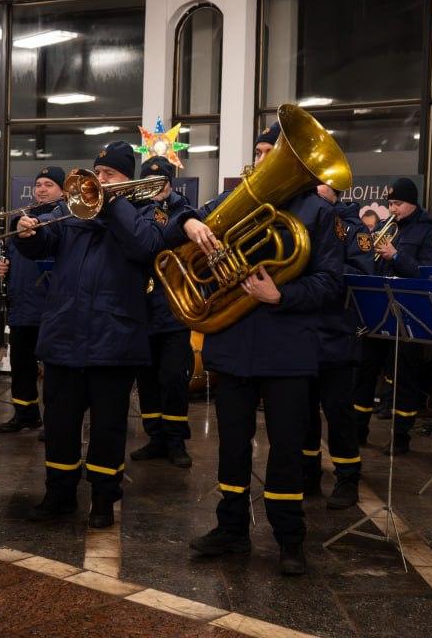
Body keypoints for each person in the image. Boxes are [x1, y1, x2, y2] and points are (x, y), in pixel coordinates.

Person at [182, 123, 343, 576]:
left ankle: (290, 538)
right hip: (233, 344)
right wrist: (189, 222)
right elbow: (184, 223)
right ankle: (231, 529)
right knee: (232, 445)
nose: (262, 159)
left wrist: (281, 296)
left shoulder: (316, 212)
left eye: (272, 152)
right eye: (259, 150)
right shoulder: (231, 203)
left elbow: (332, 284)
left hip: (288, 349)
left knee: (288, 448)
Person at [15, 141, 165, 529]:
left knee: (108, 427)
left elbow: (145, 246)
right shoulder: (68, 212)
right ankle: (59, 493)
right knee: (60, 423)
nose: (98, 181)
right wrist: (27, 234)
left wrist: (113, 203)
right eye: (96, 174)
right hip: (64, 332)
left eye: (108, 175)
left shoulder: (145, 212)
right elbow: (43, 246)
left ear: (126, 179)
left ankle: (103, 497)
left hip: (114, 339)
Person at [351, 177, 432, 455]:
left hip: (407, 313)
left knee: (405, 376)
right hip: (378, 310)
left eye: (398, 204)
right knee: (365, 371)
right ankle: (358, 429)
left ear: (413, 203)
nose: (393, 209)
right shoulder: (383, 226)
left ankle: (402, 436)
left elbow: (428, 273)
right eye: (390, 203)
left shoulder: (430, 232)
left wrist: (395, 255)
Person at [302, 185, 374, 510]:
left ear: (334, 191)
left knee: (338, 411)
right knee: (303, 411)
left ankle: (347, 478)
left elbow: (362, 273)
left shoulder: (353, 227)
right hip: (302, 328)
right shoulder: (302, 217)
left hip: (335, 331)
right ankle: (308, 474)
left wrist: (321, 268)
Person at [130, 156, 195, 469]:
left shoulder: (185, 211)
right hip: (141, 311)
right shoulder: (129, 209)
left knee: (173, 378)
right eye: (150, 183)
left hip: (173, 309)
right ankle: (155, 437)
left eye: (162, 183)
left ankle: (175, 440)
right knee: (147, 380)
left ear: (171, 184)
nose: (156, 188)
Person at [0, 166, 66, 434]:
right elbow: (8, 256)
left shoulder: (66, 219)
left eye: (49, 184)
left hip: (52, 309)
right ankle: (25, 414)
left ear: (63, 190)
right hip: (22, 306)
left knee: (55, 373)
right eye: (38, 184)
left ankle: (55, 421)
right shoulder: (20, 220)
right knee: (21, 366)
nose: (42, 189)